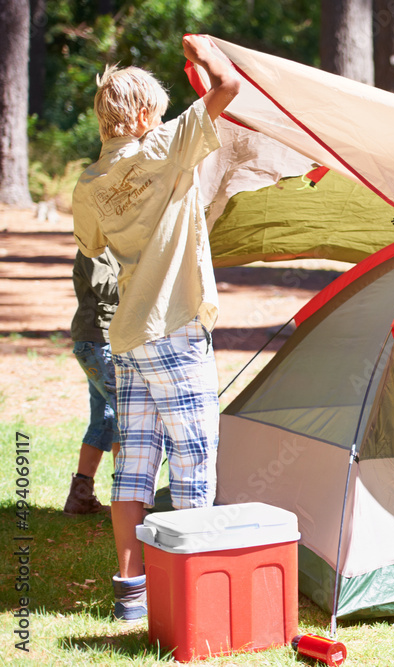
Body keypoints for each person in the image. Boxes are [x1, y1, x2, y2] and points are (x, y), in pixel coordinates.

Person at [72, 35, 240, 622]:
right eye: (159, 111)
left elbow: (93, 244)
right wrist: (202, 48)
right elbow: (228, 86)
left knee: (135, 464)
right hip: (176, 328)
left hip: (128, 337)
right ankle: (192, 596)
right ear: (143, 115)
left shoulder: (88, 184)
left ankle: (131, 591)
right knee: (195, 463)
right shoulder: (166, 143)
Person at [65, 248, 120, 515]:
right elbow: (109, 289)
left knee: (105, 419)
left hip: (107, 342)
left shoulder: (119, 240)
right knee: (126, 414)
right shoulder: (93, 246)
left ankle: (80, 498)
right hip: (99, 342)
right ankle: (129, 499)